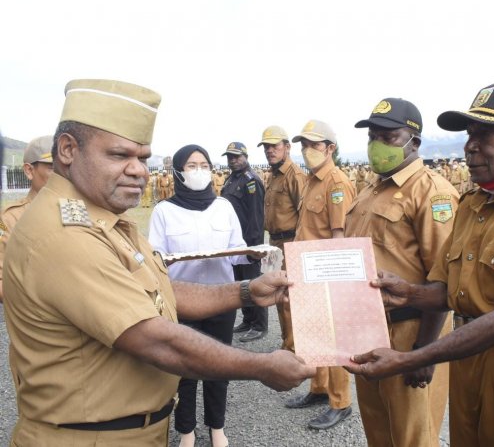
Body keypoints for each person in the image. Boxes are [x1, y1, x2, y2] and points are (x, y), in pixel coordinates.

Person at [2, 79, 314, 445]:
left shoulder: (104, 217)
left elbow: (158, 291)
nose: (138, 170)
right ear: (68, 150)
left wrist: (246, 291)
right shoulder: (64, 234)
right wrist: (262, 366)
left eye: (143, 158)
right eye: (120, 155)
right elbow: (157, 341)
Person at [346, 83, 494, 446]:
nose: (470, 145)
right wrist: (408, 291)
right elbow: (449, 290)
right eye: (470, 134)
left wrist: (411, 358)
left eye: (486, 134)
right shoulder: (474, 205)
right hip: (470, 361)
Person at [346, 98, 458, 446]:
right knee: (378, 429)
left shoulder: (432, 192)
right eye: (372, 137)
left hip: (411, 332)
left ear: (414, 142)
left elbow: (443, 280)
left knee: (413, 435)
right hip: (369, 329)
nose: (377, 145)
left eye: (388, 137)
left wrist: (423, 351)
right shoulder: (371, 190)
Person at [149, 144, 252, 447]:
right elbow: (155, 259)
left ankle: (217, 427)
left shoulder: (223, 207)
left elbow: (237, 252)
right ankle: (186, 431)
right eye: (191, 166)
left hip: (222, 298)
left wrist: (253, 256)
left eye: (203, 164)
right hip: (183, 303)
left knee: (220, 365)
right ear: (179, 172)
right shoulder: (164, 211)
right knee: (185, 368)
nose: (199, 170)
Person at [284, 120, 356, 430]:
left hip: (326, 273)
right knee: (313, 335)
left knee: (334, 337)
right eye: (304, 145)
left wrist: (335, 284)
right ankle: (319, 388)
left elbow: (340, 237)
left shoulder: (336, 183)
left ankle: (340, 402)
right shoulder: (312, 181)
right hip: (307, 271)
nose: (307, 151)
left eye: (314, 145)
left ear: (330, 149)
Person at [257, 125, 306, 351]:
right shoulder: (274, 175)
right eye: (266, 147)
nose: (269, 150)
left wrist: (296, 250)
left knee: (289, 297)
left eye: (274, 146)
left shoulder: (294, 176)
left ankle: (294, 347)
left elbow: (304, 215)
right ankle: (287, 340)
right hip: (274, 243)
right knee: (277, 294)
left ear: (287, 147)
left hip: (289, 243)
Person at [221, 142, 268, 342]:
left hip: (249, 244)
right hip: (235, 245)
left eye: (237, 156)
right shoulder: (230, 180)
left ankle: (259, 326)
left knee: (255, 285)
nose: (233, 160)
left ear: (245, 157)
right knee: (242, 285)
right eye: (230, 157)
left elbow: (256, 217)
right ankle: (248, 320)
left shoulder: (251, 181)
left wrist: (254, 248)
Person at [0, 135, 54, 302]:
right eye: (53, 168)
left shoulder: (83, 211)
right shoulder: (9, 219)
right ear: (29, 170)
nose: (63, 176)